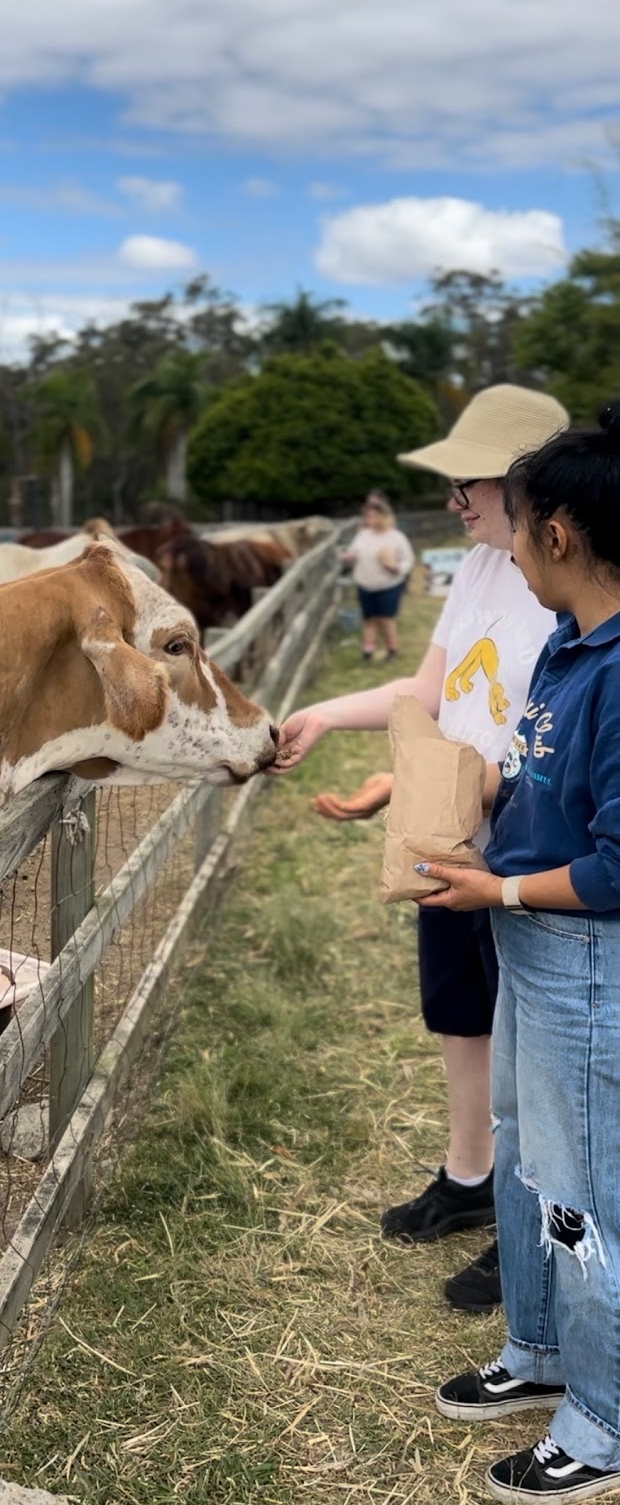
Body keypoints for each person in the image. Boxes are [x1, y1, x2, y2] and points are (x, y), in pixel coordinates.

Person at [273, 384, 568, 1313]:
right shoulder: (478, 568)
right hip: (451, 833)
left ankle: (534, 1216)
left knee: (535, 1044)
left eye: (468, 482)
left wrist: (427, 787)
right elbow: (435, 692)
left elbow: (548, 736)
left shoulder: (572, 582)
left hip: (527, 847)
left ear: (526, 484)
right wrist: (326, 716)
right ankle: (470, 1175)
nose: (454, 501)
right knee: (463, 1013)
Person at [424, 407, 620, 1502]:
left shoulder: (619, 669)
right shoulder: (567, 641)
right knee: (524, 1152)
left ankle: (602, 1418)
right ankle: (539, 1347)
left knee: (583, 1186)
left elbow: (617, 867)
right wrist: (449, 802)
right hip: (530, 945)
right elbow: (530, 769)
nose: (507, 549)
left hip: (585, 960)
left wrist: (494, 885)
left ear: (557, 533)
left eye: (520, 526)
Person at [342, 499, 415, 661]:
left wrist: (396, 567)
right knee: (370, 619)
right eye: (368, 516)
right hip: (365, 584)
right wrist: (349, 556)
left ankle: (392, 650)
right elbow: (354, 551)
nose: (370, 520)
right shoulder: (363, 535)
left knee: (386, 619)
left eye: (374, 516)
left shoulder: (396, 537)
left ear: (384, 517)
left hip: (388, 585)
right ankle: (368, 651)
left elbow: (408, 560)